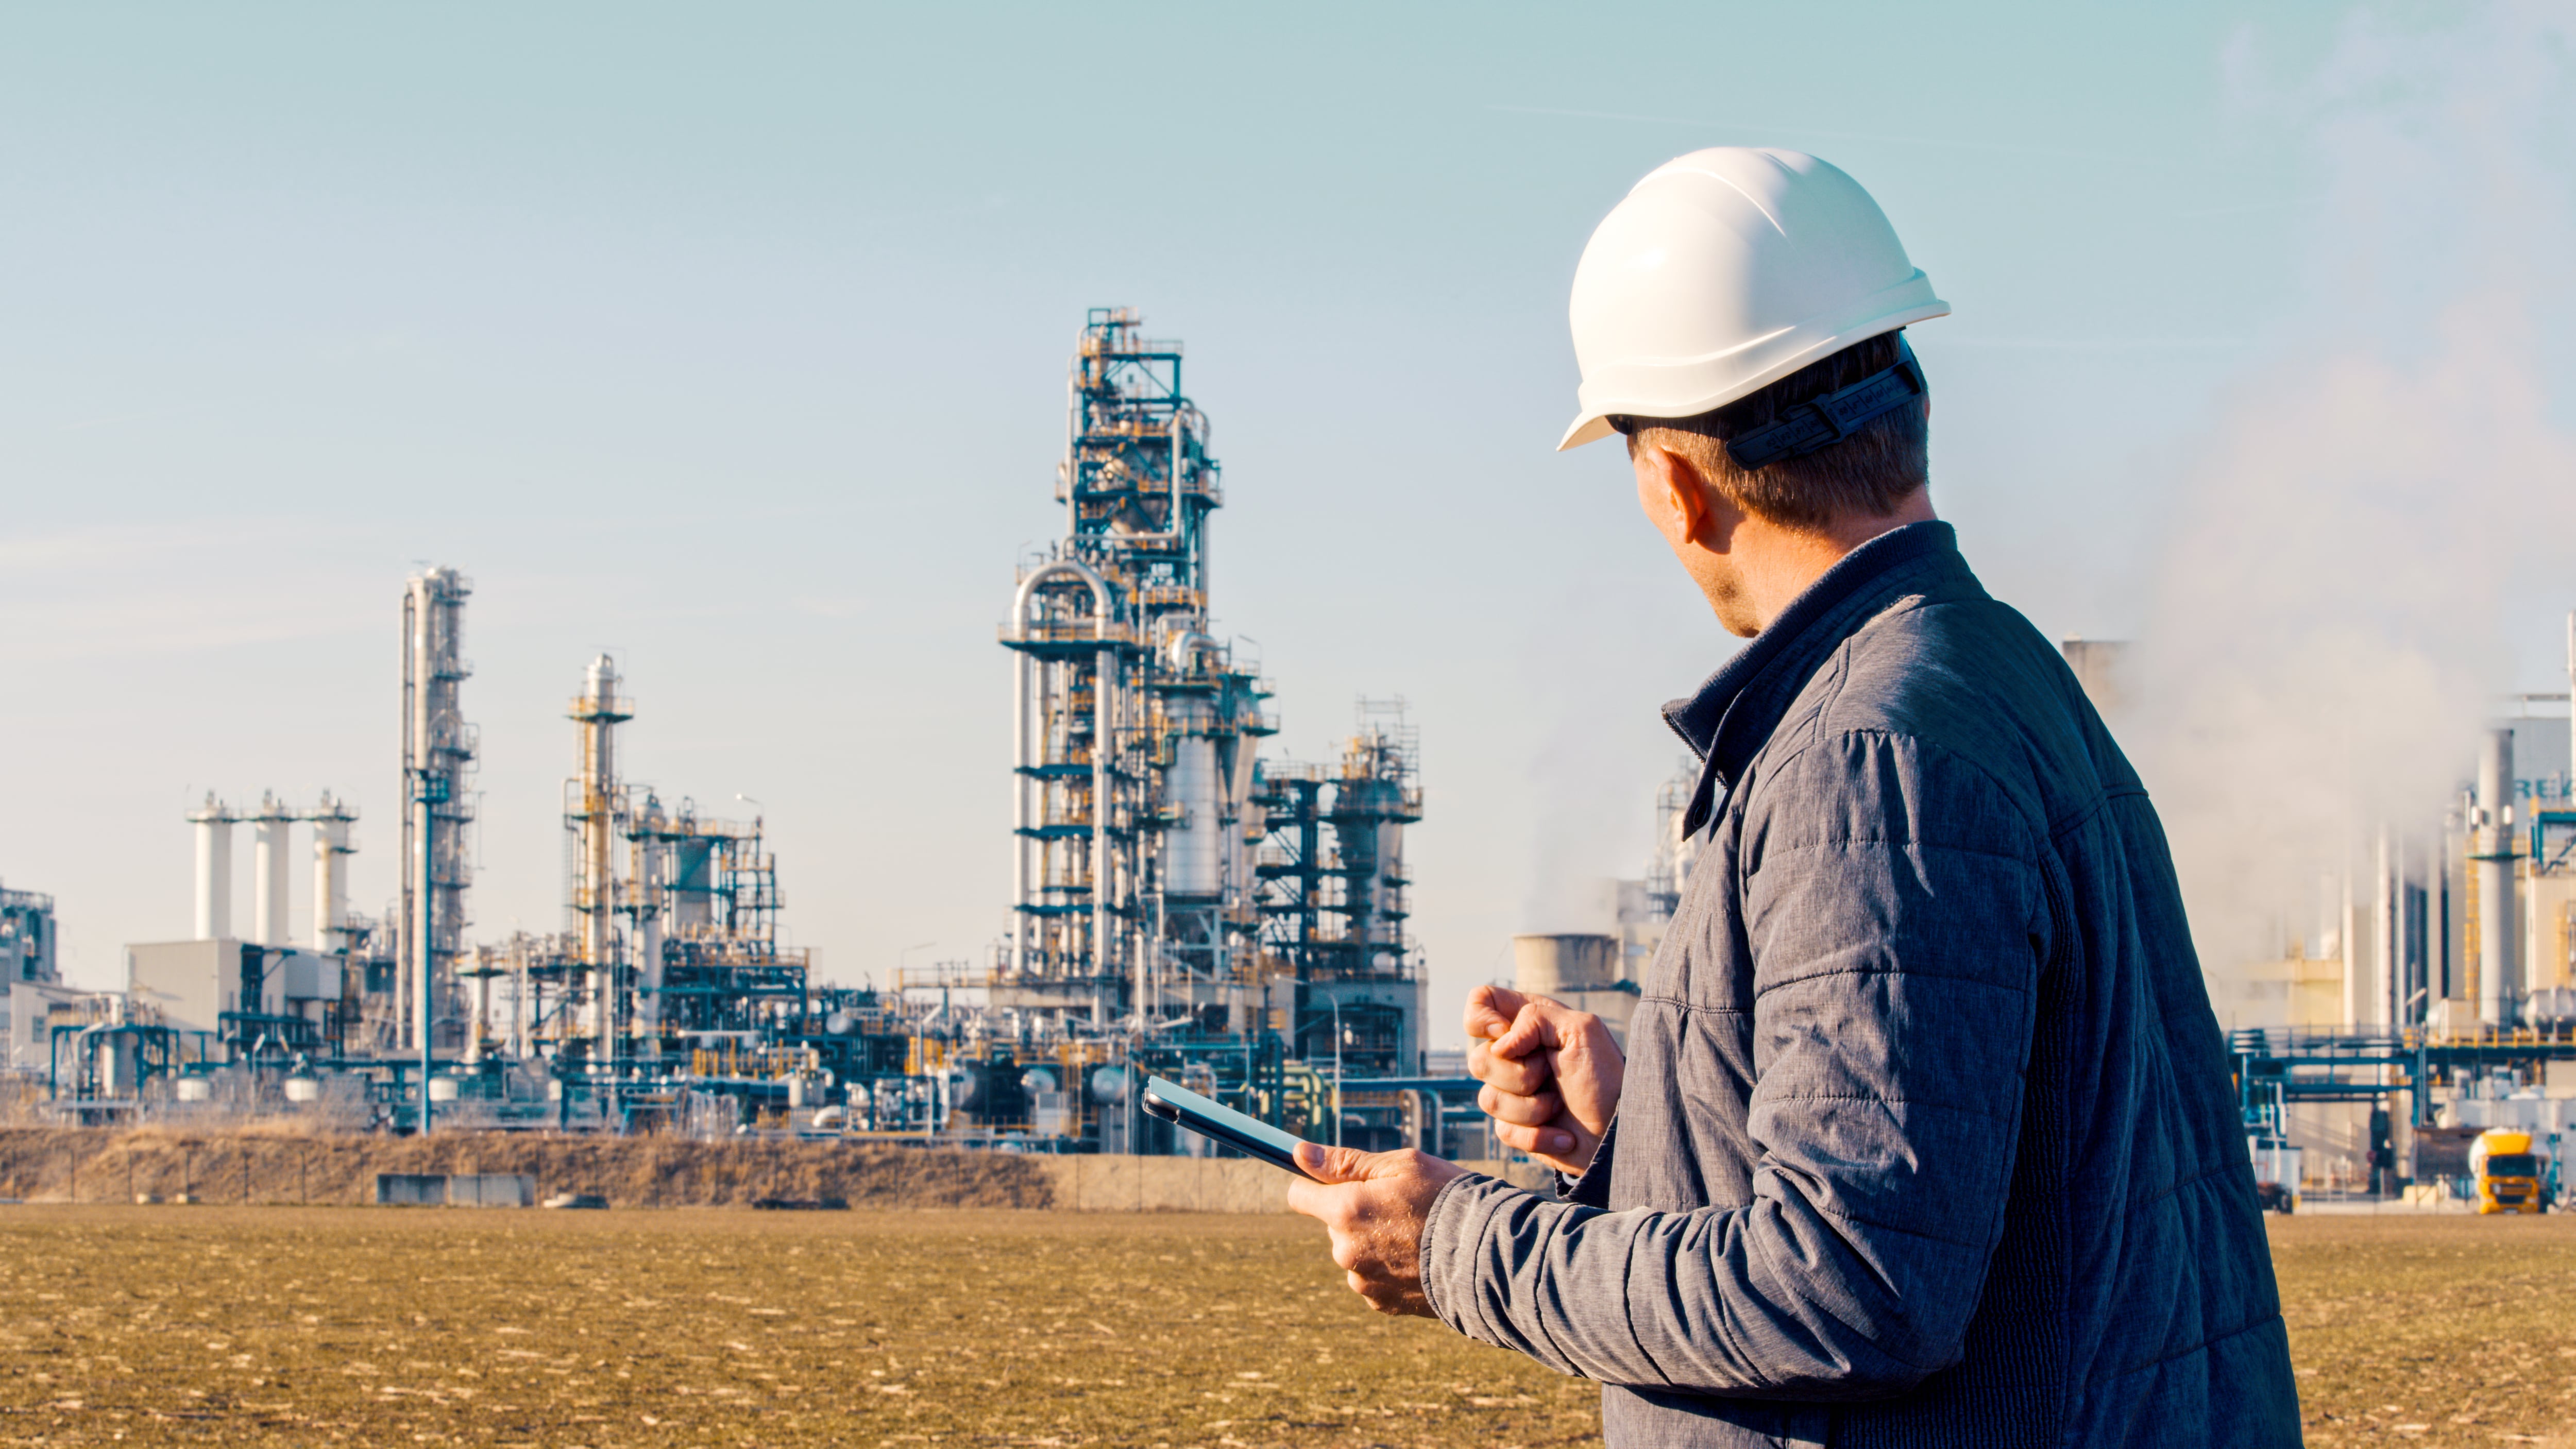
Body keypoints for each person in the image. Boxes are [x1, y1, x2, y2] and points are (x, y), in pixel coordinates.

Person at [1285, 148, 2302, 1447]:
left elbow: (1853, 1286)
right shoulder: (1988, 677)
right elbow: (1962, 1191)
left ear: (1675, 486)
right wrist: (1650, 1121)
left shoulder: (1863, 761)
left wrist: (1461, 1243)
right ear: (1910, 395)